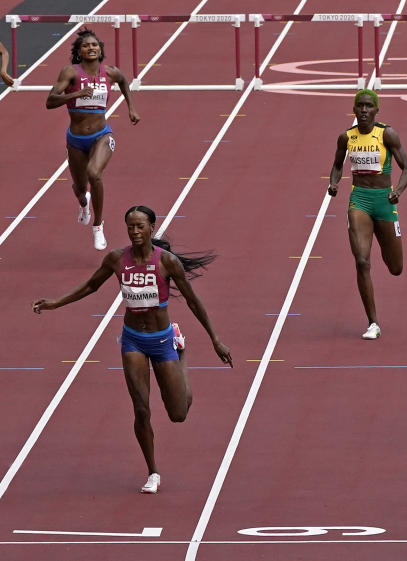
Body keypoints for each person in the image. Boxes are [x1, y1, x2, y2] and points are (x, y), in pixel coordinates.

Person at [33, 205, 232, 494]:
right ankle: (152, 472)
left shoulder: (168, 262)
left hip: (162, 340)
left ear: (152, 227)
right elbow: (91, 286)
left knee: (178, 413)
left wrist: (215, 339)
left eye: (140, 226)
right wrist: (55, 302)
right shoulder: (116, 259)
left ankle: (181, 352)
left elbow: (193, 301)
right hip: (133, 340)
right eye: (130, 227)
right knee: (141, 409)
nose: (135, 231)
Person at [328, 89, 407, 340]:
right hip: (360, 201)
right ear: (354, 110)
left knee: (396, 267)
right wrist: (334, 183)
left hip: (385, 202)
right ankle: (373, 322)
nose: (364, 110)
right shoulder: (346, 138)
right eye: (360, 106)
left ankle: (390, 253)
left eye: (368, 106)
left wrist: (398, 190)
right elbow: (336, 165)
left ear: (376, 110)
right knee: (362, 261)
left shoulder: (387, 134)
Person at [45, 27, 140, 250]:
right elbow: (50, 101)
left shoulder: (110, 72)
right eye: (86, 45)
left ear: (100, 50)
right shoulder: (70, 73)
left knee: (94, 174)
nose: (91, 48)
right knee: (79, 187)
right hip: (76, 139)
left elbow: (125, 82)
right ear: (79, 51)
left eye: (94, 45)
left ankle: (98, 226)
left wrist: (131, 108)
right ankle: (83, 202)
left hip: (102, 135)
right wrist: (75, 94)